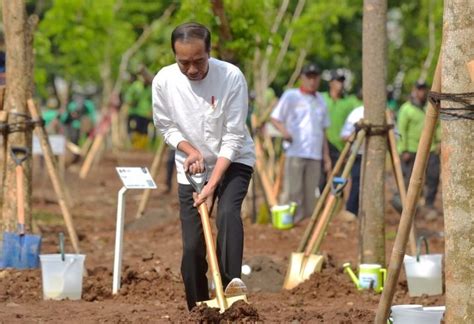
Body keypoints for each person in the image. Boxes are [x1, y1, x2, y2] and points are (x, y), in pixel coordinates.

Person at [152, 22, 255, 310]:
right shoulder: (164, 81)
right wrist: (189, 150)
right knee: (193, 245)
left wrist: (212, 185)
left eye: (199, 61)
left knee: (227, 214)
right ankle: (197, 307)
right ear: (174, 56)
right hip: (191, 167)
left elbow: (234, 136)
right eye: (184, 62)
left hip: (233, 160)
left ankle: (231, 290)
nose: (192, 69)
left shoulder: (231, 77)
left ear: (209, 52)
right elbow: (166, 126)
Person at [270, 63, 331, 223]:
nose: (312, 81)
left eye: (315, 77)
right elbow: (275, 118)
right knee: (293, 190)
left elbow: (324, 131)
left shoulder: (321, 100)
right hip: (295, 151)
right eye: (309, 77)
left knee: (310, 192)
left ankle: (306, 223)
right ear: (302, 78)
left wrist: (326, 156)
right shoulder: (292, 96)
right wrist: (285, 132)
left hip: (315, 153)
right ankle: (289, 222)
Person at [397, 80, 441, 220]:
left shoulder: (431, 106)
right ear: (414, 90)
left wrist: (440, 140)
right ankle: (409, 207)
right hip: (411, 150)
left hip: (431, 148)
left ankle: (429, 205)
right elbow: (401, 130)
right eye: (419, 89)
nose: (422, 92)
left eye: (424, 89)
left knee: (433, 177)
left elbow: (439, 125)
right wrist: (403, 150)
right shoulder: (406, 109)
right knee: (411, 179)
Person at [340, 105, 364, 219]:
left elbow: (394, 135)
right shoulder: (357, 113)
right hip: (358, 154)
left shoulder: (384, 112)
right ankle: (351, 210)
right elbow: (344, 135)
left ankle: (365, 211)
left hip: (376, 155)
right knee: (356, 181)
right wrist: (357, 133)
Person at [124, 74, 153, 149]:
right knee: (135, 129)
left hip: (146, 113)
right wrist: (130, 102)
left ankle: (142, 148)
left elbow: (153, 101)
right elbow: (129, 96)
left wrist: (151, 111)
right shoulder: (136, 86)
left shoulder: (151, 88)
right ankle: (135, 147)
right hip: (136, 112)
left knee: (144, 131)